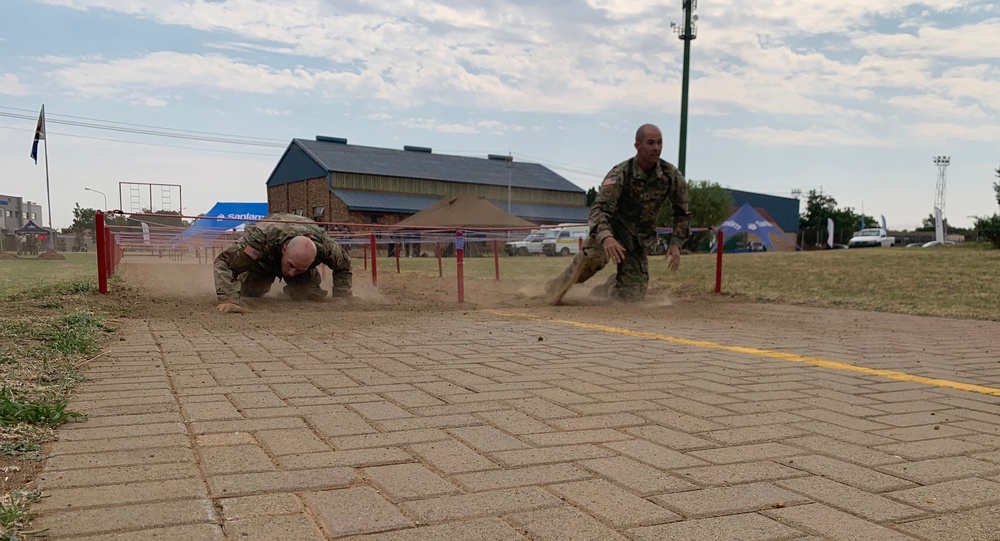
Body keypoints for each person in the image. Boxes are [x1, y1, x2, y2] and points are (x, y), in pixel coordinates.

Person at [545, 123, 691, 304]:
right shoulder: (621, 173)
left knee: (631, 297)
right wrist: (606, 238)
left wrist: (676, 243)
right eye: (650, 143)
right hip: (612, 231)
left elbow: (682, 213)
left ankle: (606, 288)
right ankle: (553, 288)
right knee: (588, 263)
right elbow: (598, 209)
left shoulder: (671, 176)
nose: (656, 148)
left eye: (659, 143)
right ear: (637, 146)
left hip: (637, 241)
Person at [214, 213, 352, 313]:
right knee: (250, 292)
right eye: (291, 266)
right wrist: (228, 298)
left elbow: (344, 265)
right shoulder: (260, 239)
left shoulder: (326, 247)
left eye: (299, 268)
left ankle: (301, 276)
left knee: (308, 296)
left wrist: (342, 296)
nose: (292, 273)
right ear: (285, 250)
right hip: (263, 263)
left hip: (301, 266)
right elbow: (225, 261)